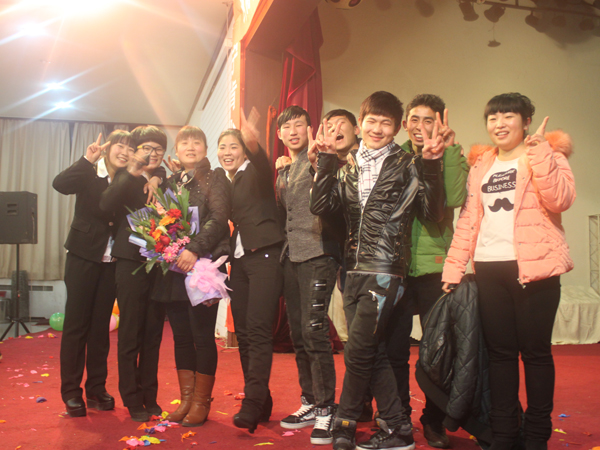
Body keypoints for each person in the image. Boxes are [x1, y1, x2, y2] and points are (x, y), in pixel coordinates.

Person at [310, 91, 446, 450]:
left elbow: (434, 213)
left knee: (357, 350)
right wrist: (326, 160)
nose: (378, 128)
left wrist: (432, 164)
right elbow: (320, 205)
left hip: (386, 270)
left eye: (386, 123)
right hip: (352, 270)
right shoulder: (348, 166)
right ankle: (399, 428)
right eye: (372, 121)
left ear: (396, 128)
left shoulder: (409, 164)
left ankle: (345, 422)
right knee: (374, 351)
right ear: (360, 123)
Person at [442, 93, 575, 450]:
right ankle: (503, 434)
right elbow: (469, 219)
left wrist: (542, 153)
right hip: (489, 268)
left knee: (535, 353)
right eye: (493, 117)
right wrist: (454, 267)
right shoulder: (482, 163)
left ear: (526, 122)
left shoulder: (548, 155)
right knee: (500, 355)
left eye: (508, 116)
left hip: (535, 268)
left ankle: (536, 436)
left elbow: (561, 200)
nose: (499, 124)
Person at [384, 94, 468, 448]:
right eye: (415, 120)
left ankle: (433, 419)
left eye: (428, 120)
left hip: (436, 268)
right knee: (394, 350)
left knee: (438, 351)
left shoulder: (452, 155)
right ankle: (398, 414)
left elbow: (455, 199)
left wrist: (447, 153)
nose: (421, 127)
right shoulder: (395, 157)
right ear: (405, 124)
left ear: (440, 123)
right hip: (397, 267)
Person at [151, 126, 230, 427]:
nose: (191, 147)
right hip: (175, 269)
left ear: (205, 149)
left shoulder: (215, 177)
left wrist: (194, 250)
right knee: (181, 337)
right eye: (185, 142)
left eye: (197, 142)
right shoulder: (171, 181)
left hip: (204, 266)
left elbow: (219, 218)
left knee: (202, 336)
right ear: (177, 150)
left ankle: (201, 401)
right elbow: (162, 222)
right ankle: (186, 399)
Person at [274, 106, 343, 445]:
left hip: (318, 253)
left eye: (299, 125)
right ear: (279, 135)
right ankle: (311, 402)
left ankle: (327, 408)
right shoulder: (284, 169)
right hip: (292, 256)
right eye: (287, 127)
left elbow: (328, 187)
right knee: (299, 333)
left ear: (310, 128)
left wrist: (322, 162)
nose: (293, 131)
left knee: (315, 332)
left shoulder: (319, 159)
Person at [53, 130, 133, 417]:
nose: (124, 152)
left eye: (129, 148)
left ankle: (97, 389)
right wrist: (87, 159)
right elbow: (60, 184)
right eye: (120, 146)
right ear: (108, 148)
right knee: (76, 326)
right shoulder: (90, 172)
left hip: (112, 261)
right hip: (82, 256)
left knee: (100, 328)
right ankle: (71, 392)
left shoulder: (128, 180)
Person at [217, 111, 285, 434]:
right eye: (223, 147)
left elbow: (262, 162)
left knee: (257, 330)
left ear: (244, 150)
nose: (228, 152)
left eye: (234, 146)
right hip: (241, 260)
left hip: (266, 255)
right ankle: (263, 400)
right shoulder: (231, 181)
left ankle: (252, 402)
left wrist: (253, 142)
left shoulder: (254, 172)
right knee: (243, 333)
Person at [99, 125, 167, 422]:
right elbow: (105, 204)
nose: (152, 153)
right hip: (129, 262)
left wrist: (158, 177)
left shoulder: (164, 181)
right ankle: (131, 396)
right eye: (146, 148)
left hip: (160, 263)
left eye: (158, 149)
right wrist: (134, 171)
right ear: (136, 151)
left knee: (153, 332)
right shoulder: (125, 178)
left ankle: (150, 395)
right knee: (130, 330)